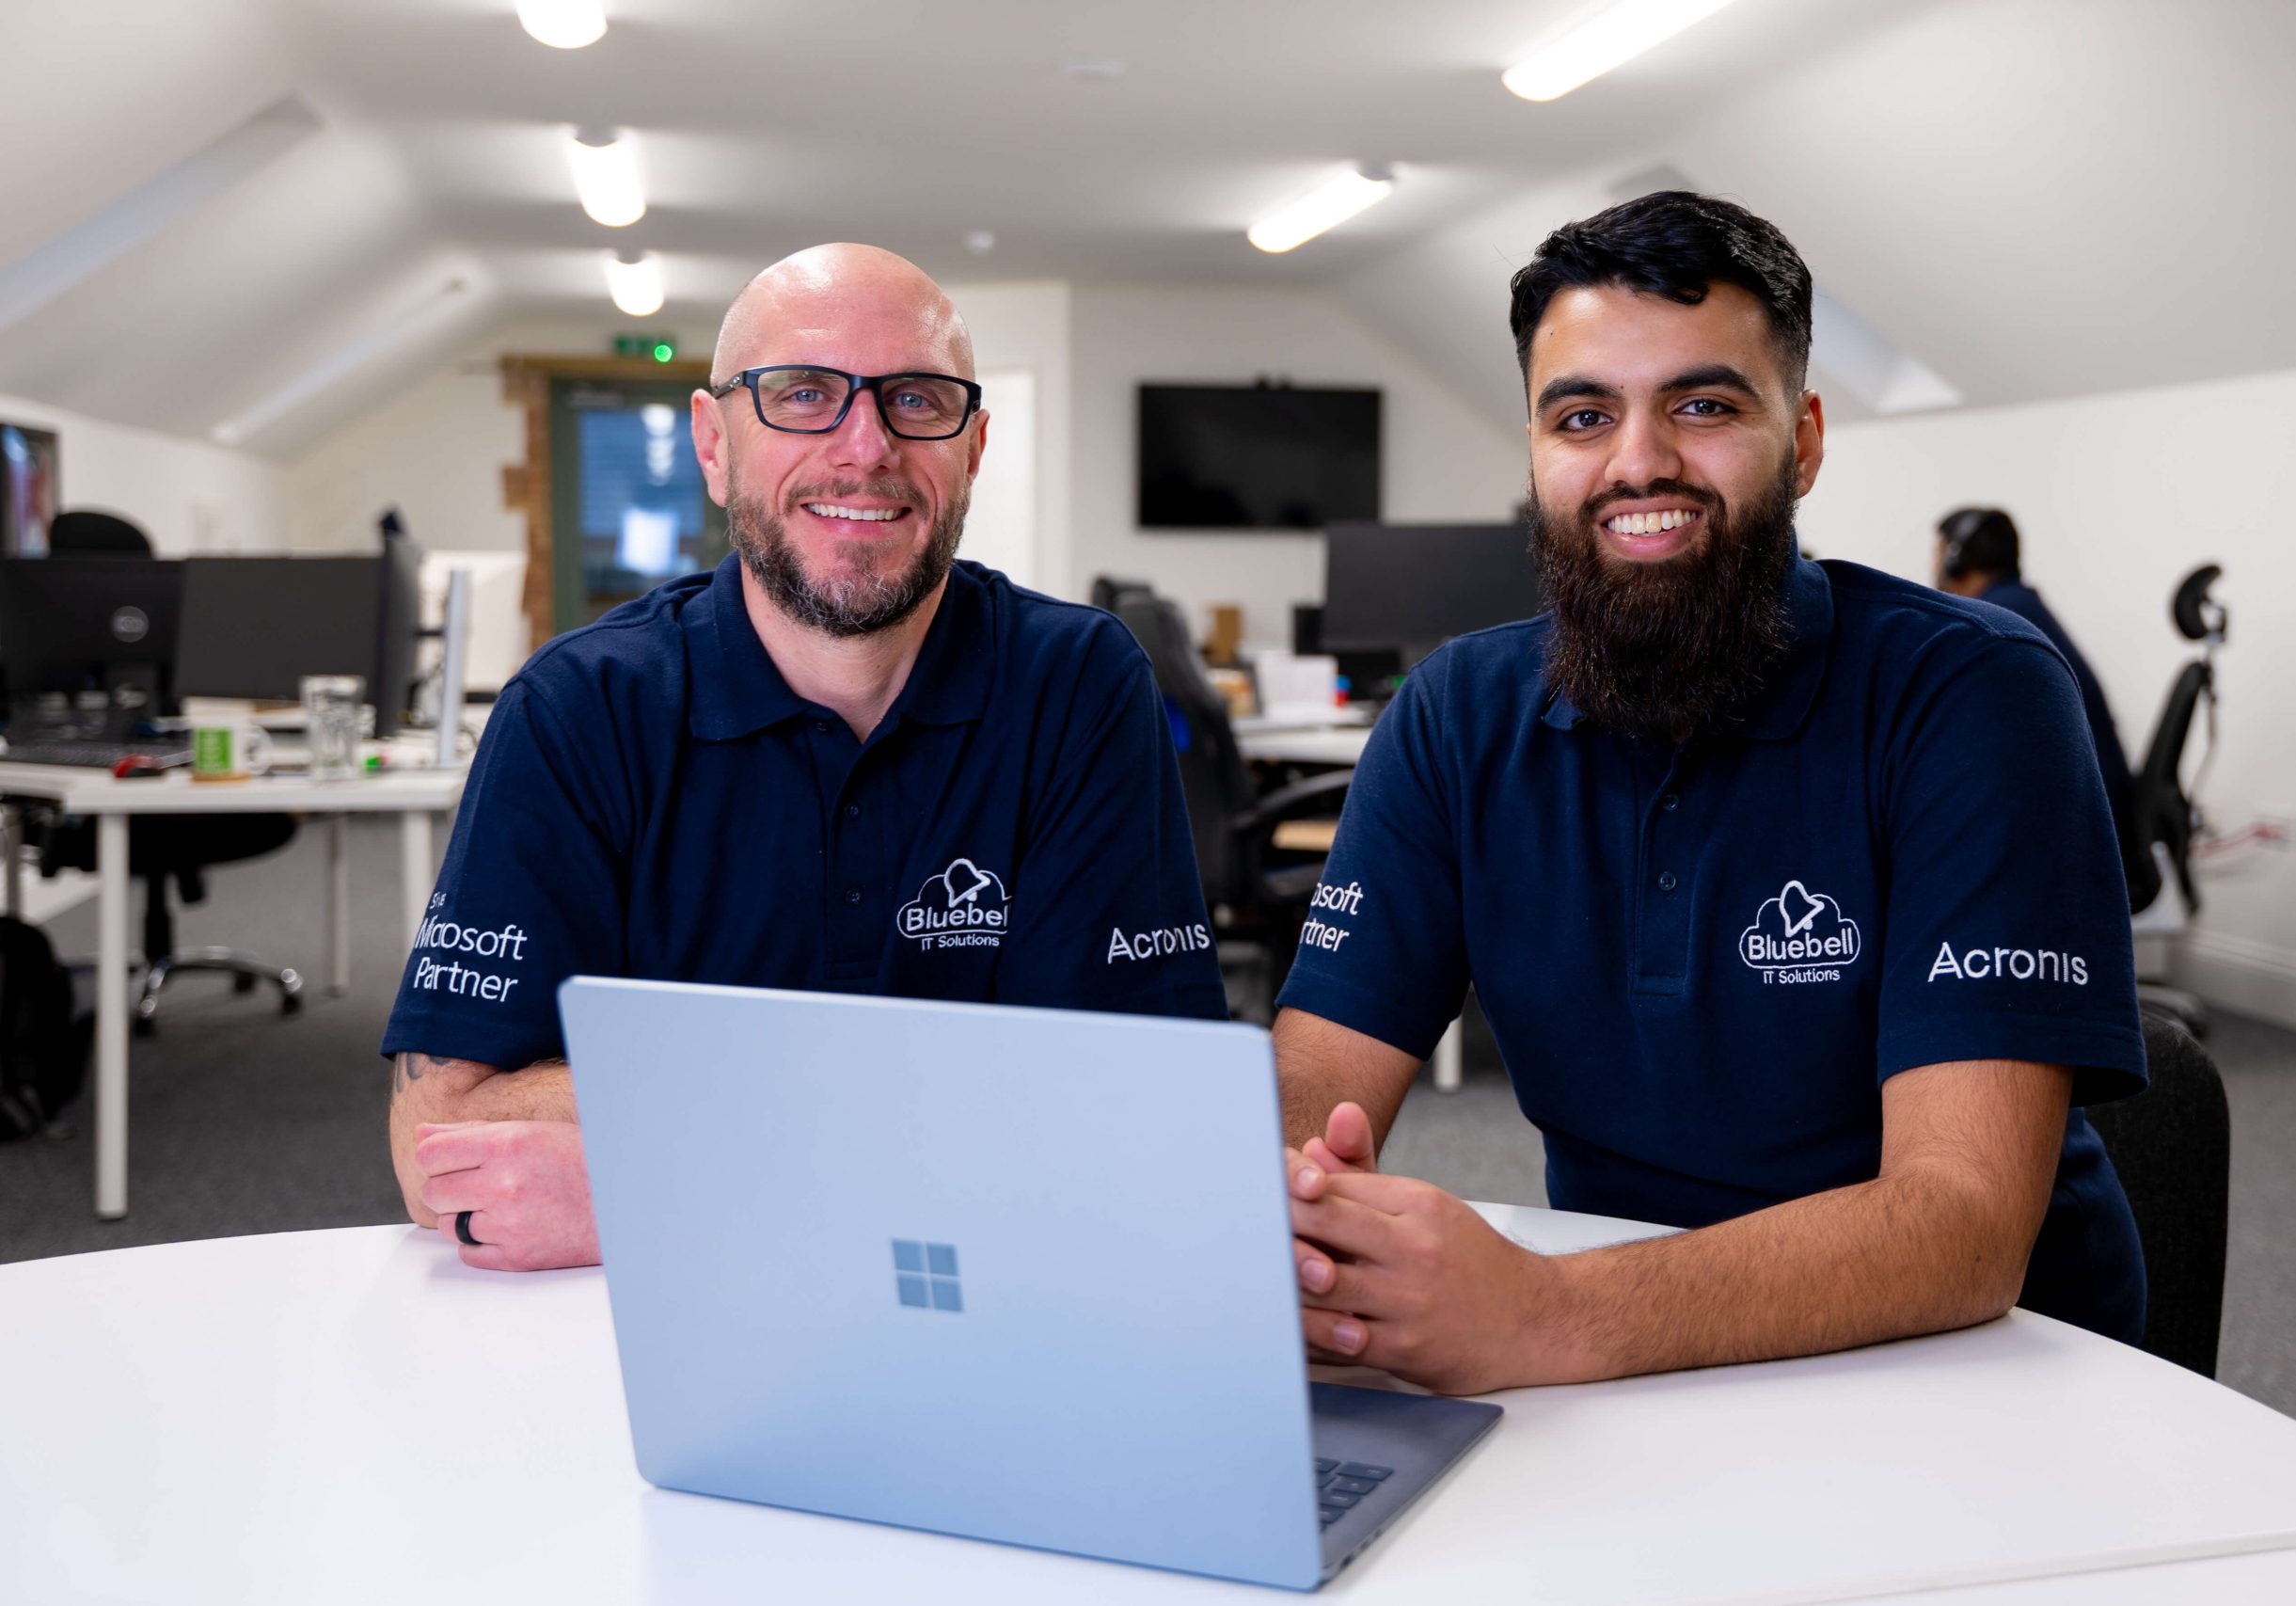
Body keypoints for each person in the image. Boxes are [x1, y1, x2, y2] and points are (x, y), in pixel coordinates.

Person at [1275, 192, 2147, 1396]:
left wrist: (1541, 1316)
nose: (1639, 461)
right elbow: (1317, 1081)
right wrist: (1288, 1196)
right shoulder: (1455, 715)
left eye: (1703, 404)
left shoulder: (1971, 694)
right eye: (1581, 414)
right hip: (1642, 1361)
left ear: (1802, 440)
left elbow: (1962, 1223)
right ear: (1534, 451)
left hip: (1984, 1380)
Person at [385, 244, 1226, 1271]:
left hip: (992, 1296)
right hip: (630, 1341)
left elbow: (1135, 1113)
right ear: (712, 441)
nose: (863, 447)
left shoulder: (1076, 685)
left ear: (972, 446)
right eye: (802, 394)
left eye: (916, 399)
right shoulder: (578, 709)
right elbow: (441, 1139)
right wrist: (950, 1098)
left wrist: (659, 1178)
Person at [1933, 507, 2146, 901]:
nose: (1932, 566)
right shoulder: (2018, 609)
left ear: (1956, 558)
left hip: (2076, 845)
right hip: (2096, 827)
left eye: (1938, 552)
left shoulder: (1989, 626)